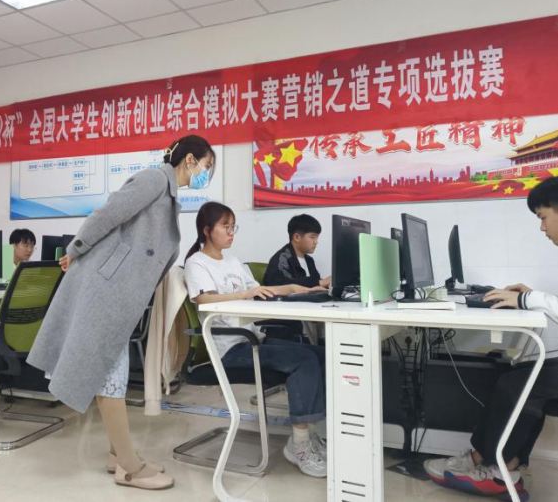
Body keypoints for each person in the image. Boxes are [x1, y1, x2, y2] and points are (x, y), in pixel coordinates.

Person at [28, 135, 215, 491]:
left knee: (113, 372)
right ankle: (129, 466)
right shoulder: (155, 179)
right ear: (190, 159)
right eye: (207, 166)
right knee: (110, 375)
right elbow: (109, 213)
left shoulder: (168, 194)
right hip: (106, 289)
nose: (207, 174)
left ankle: (118, 455)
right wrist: (75, 249)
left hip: (118, 292)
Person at [424, 176, 558, 500]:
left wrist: (530, 300)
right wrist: (533, 296)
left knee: (516, 385)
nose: (542, 228)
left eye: (543, 217)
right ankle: (504, 464)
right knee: (518, 376)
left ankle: (487, 464)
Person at [184, 201, 330, 478]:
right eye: (225, 227)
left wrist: (294, 288)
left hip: (252, 339)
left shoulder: (232, 261)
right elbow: (204, 299)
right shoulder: (196, 263)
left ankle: (310, 433)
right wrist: (243, 294)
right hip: (229, 348)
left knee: (319, 354)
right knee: (303, 361)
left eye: (233, 227)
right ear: (207, 230)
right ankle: (299, 445)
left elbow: (260, 290)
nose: (231, 233)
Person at [264, 213, 331, 289]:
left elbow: (316, 282)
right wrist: (320, 283)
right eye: (312, 237)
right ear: (297, 237)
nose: (316, 242)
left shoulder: (309, 260)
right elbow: (279, 285)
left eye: (317, 238)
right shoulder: (282, 258)